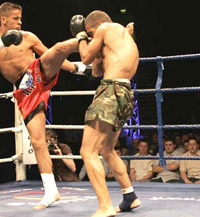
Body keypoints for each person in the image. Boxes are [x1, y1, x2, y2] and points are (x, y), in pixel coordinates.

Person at [0, 2, 86, 209]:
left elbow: (51, 56)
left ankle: (87, 39)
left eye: (21, 18)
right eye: (16, 18)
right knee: (38, 141)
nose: (20, 21)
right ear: (3, 19)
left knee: (58, 48)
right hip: (25, 90)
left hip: (36, 72)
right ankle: (51, 191)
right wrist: (1, 43)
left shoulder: (28, 37)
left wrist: (77, 69)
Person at [70, 10, 140, 217]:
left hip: (111, 91)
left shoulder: (104, 28)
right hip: (125, 94)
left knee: (87, 151)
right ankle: (130, 196)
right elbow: (96, 71)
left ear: (93, 29)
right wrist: (99, 52)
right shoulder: (120, 36)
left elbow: (84, 57)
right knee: (107, 150)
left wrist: (80, 36)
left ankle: (105, 206)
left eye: (90, 35)